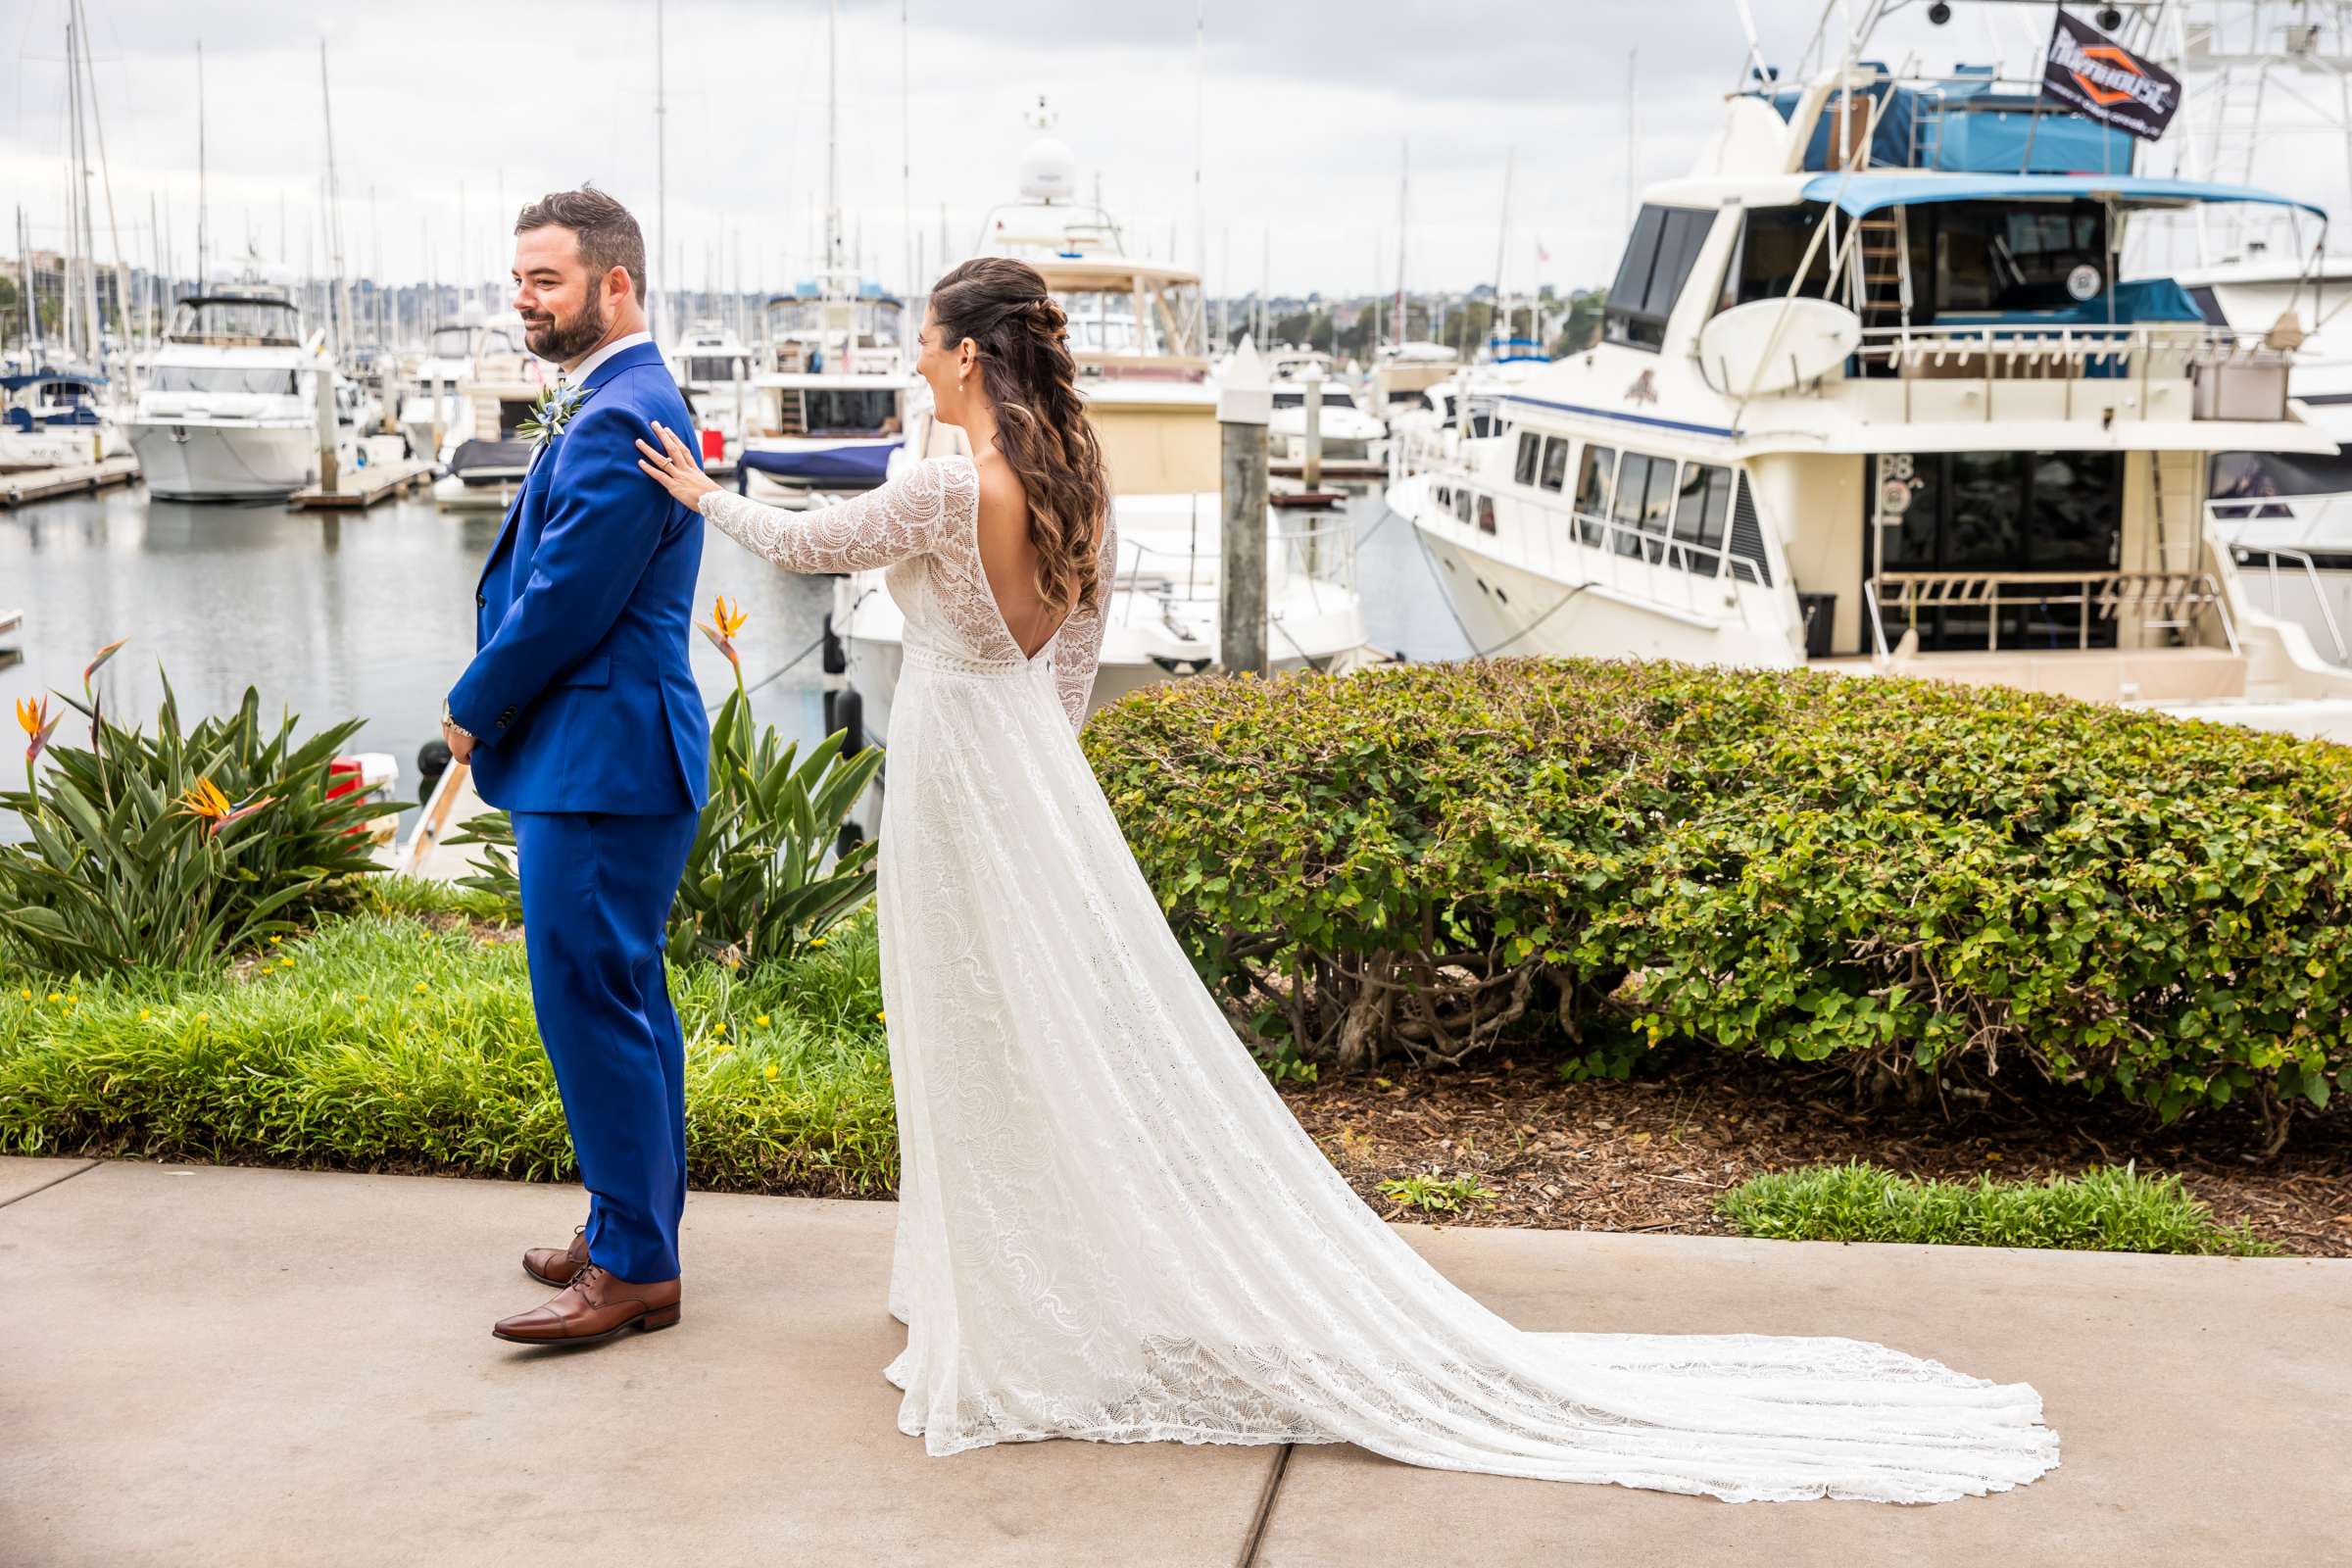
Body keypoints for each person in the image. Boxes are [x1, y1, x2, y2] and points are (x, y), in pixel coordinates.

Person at [630, 256, 2060, 1502]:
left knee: (968, 1031)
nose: (914, 365)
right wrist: (1045, 782)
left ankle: (999, 1312)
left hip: (956, 770)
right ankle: (991, 1290)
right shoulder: (1073, 488)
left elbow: (816, 543)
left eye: (924, 345)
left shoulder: (950, 484)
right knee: (1013, 1031)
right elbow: (1067, 659)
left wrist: (704, 490)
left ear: (965, 355)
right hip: (1019, 767)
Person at [443, 186, 708, 1348]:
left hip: (598, 758)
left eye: (544, 280)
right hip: (603, 754)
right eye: (518, 279)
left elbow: (566, 599)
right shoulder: (612, 397)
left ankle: (636, 1269)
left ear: (617, 284)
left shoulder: (619, 410)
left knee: (592, 1004)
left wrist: (470, 706)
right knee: (623, 999)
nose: (523, 299)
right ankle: (625, 1227)